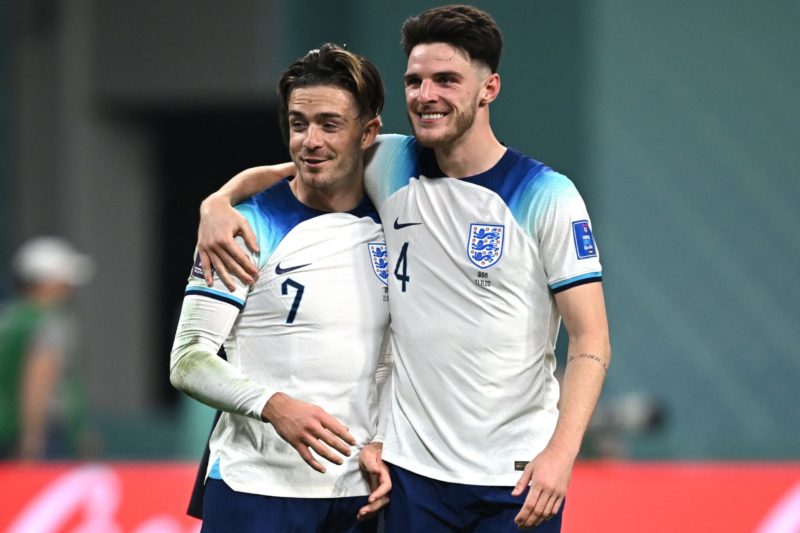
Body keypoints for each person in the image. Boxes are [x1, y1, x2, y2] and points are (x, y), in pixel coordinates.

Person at [196, 5, 611, 531]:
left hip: (517, 476)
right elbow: (308, 162)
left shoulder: (547, 195)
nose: (425, 95)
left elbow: (591, 338)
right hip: (412, 477)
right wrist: (219, 201)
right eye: (414, 81)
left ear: (489, 89)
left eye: (446, 80)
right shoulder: (390, 162)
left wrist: (562, 452)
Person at [169, 43, 392, 532]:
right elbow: (188, 360)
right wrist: (274, 407)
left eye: (330, 125)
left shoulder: (397, 223)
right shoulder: (244, 228)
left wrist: (387, 441)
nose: (309, 141)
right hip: (257, 491)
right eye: (298, 124)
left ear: (369, 132)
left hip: (361, 495)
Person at [0, 236, 95, 460]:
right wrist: (33, 438)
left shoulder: (9, 318)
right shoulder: (52, 323)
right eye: (63, 281)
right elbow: (39, 378)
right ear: (44, 282)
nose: (69, 288)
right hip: (43, 435)